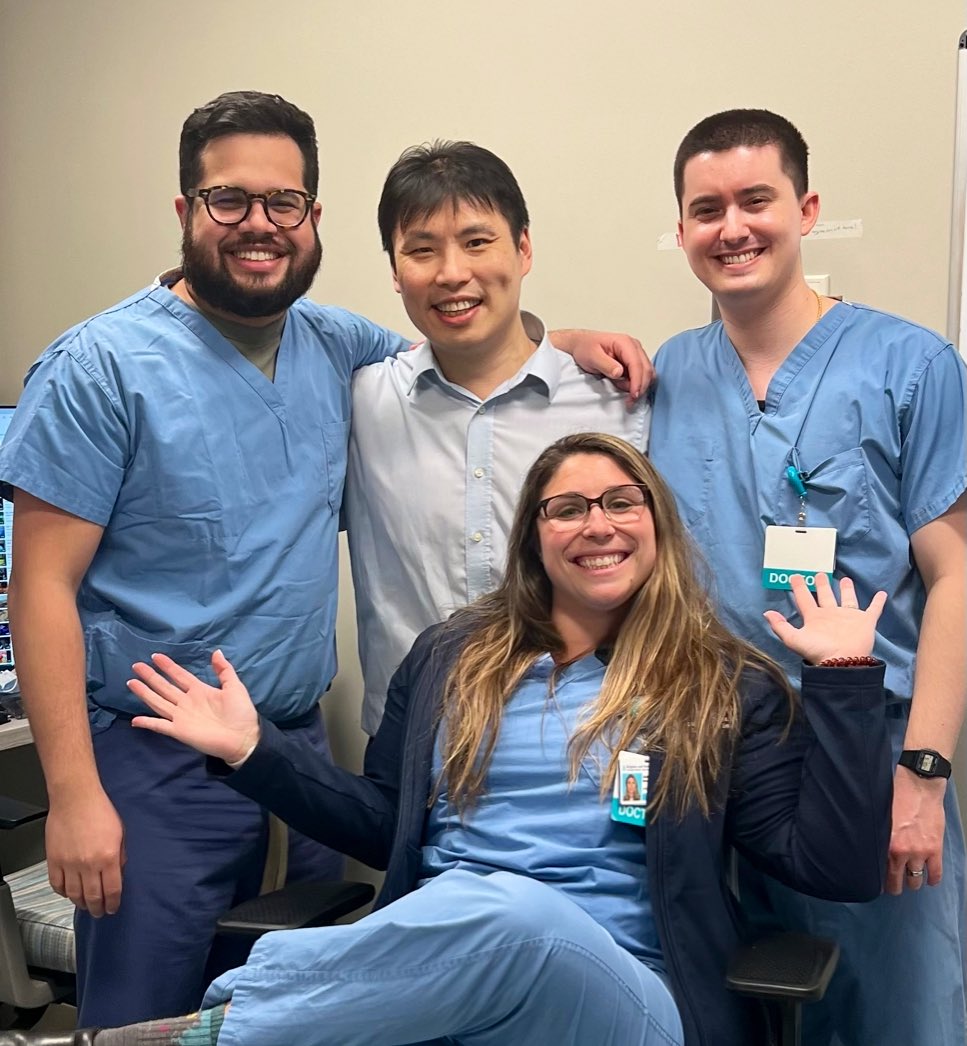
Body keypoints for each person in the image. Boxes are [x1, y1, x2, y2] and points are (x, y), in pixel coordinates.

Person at [0, 92, 648, 1027]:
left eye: (284, 203)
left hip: (293, 753)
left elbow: (470, 350)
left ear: (312, 219)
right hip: (154, 761)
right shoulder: (99, 366)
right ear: (185, 212)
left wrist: (566, 344)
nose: (259, 225)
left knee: (290, 1011)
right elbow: (41, 588)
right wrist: (72, 798)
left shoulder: (335, 348)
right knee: (151, 1015)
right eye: (229, 200)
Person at [19, 432, 892, 1046]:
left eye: (622, 502)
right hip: (444, 971)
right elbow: (380, 822)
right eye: (566, 509)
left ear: (656, 526)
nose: (597, 524)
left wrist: (846, 682)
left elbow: (835, 869)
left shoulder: (721, 685)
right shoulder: (453, 659)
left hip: (625, 994)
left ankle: (221, 1027)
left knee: (513, 912)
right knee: (483, 907)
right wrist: (255, 752)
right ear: (533, 540)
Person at [649, 108, 967, 1045]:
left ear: (806, 208)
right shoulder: (670, 372)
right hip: (722, 763)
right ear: (680, 231)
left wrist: (922, 773)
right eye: (705, 209)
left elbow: (954, 581)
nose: (732, 227)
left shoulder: (911, 364)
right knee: (741, 1007)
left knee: (891, 1010)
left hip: (871, 756)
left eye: (756, 200)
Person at [346, 141, 650, 735]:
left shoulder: (618, 401)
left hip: (588, 737)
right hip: (416, 741)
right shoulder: (361, 403)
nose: (452, 272)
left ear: (524, 247)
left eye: (477, 242)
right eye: (421, 250)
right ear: (394, 270)